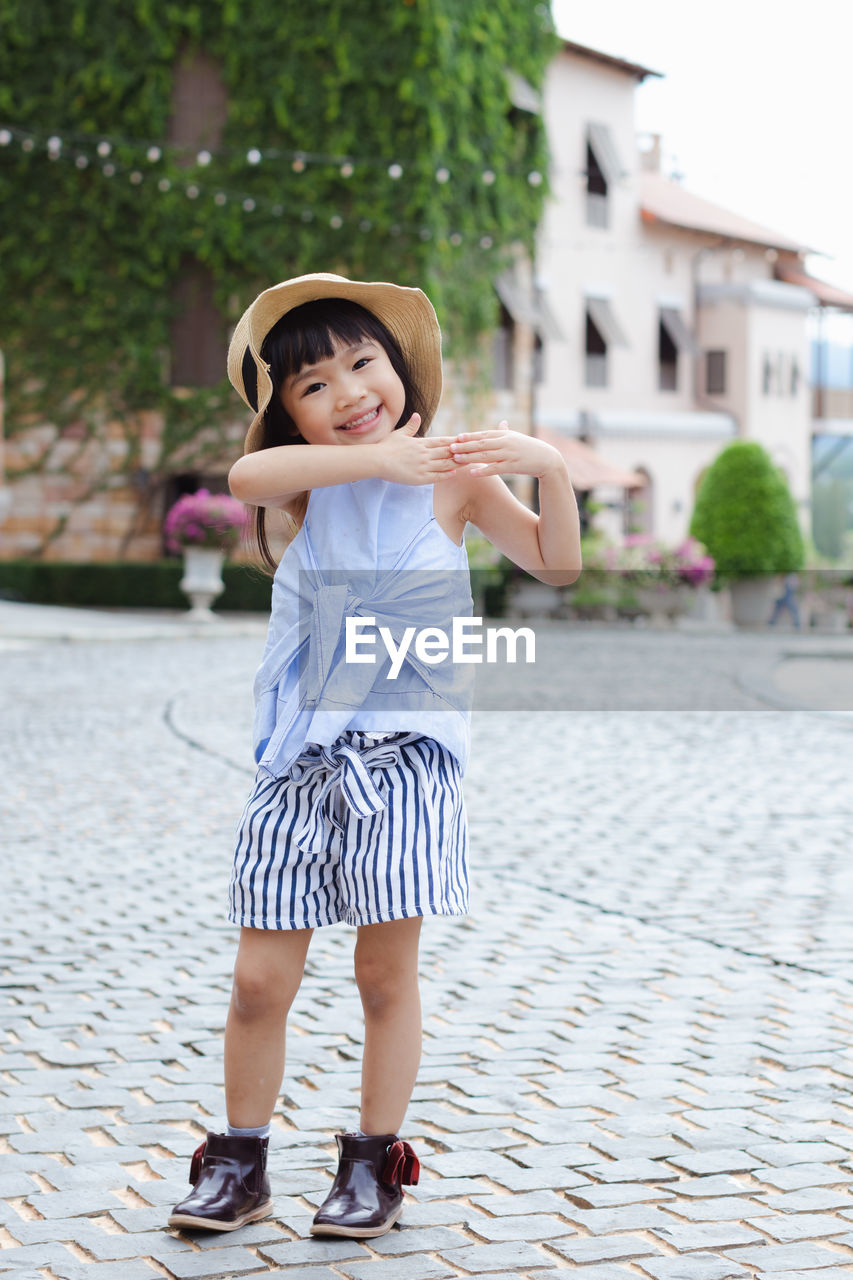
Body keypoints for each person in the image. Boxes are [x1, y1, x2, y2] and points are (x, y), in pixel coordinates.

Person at [168, 273, 581, 1238]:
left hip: (404, 764)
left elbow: (556, 565)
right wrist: (370, 465)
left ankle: (371, 1166)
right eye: (313, 386)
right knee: (258, 981)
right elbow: (244, 480)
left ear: (401, 373)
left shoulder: (457, 480)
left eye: (363, 365)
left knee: (384, 979)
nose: (349, 393)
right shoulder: (303, 489)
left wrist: (547, 466)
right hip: (298, 768)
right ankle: (238, 1163)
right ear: (287, 414)